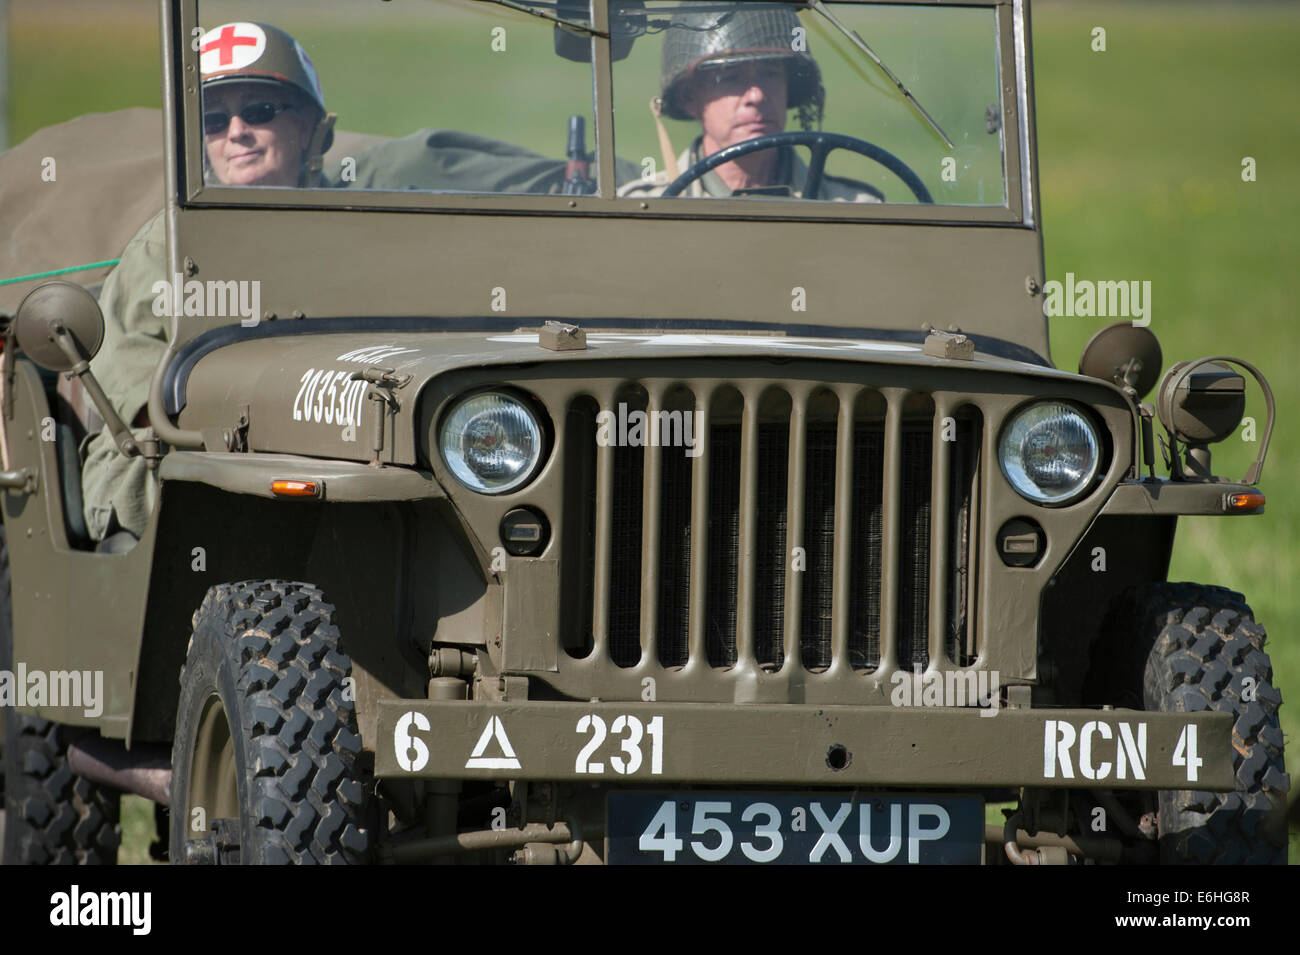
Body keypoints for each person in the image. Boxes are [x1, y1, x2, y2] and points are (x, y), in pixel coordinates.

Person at [81, 22, 337, 548]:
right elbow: (130, 381)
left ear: (311, 126)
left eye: (261, 112)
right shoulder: (168, 243)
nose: (237, 132)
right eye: (215, 121)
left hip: (338, 452)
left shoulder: (358, 226)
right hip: (176, 459)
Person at [618, 7, 882, 202]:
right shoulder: (645, 209)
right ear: (689, 98)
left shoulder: (854, 207)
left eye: (771, 74)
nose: (756, 95)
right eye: (731, 78)